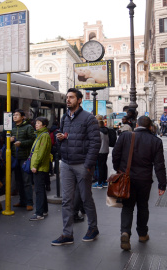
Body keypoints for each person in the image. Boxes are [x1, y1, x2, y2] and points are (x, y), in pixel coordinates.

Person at [52, 88, 101, 246]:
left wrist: (88, 165)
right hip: (66, 164)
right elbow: (64, 136)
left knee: (86, 198)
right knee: (67, 200)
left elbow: (95, 143)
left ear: (79, 100)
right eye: (67, 97)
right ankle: (67, 234)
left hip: (82, 164)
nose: (68, 100)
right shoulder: (65, 117)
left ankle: (93, 228)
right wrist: (60, 138)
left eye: (71, 97)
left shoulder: (89, 118)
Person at [112, 116, 166, 251]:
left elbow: (115, 154)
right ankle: (142, 234)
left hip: (127, 177)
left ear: (137, 124)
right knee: (143, 206)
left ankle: (125, 232)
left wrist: (118, 169)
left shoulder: (125, 137)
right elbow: (159, 165)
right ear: (150, 127)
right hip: (144, 180)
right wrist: (162, 184)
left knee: (127, 206)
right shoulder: (156, 141)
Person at [11, 109, 35, 211]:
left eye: (17, 115)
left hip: (24, 157)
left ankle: (29, 202)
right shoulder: (12, 128)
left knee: (26, 181)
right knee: (18, 181)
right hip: (15, 157)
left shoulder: (28, 127)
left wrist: (21, 143)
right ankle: (22, 201)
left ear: (22, 117)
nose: (14, 117)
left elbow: (32, 140)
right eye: (14, 115)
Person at [29, 117, 52, 221]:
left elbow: (41, 152)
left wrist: (35, 165)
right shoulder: (41, 135)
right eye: (36, 123)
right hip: (40, 167)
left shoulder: (43, 136)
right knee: (41, 189)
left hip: (40, 167)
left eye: (39, 123)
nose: (36, 124)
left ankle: (39, 213)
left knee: (38, 190)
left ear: (44, 125)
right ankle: (44, 210)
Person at [92, 115, 109, 189]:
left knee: (99, 167)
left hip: (99, 151)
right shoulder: (105, 130)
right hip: (105, 150)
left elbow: (96, 142)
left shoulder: (98, 131)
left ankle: (99, 183)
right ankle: (104, 181)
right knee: (104, 166)